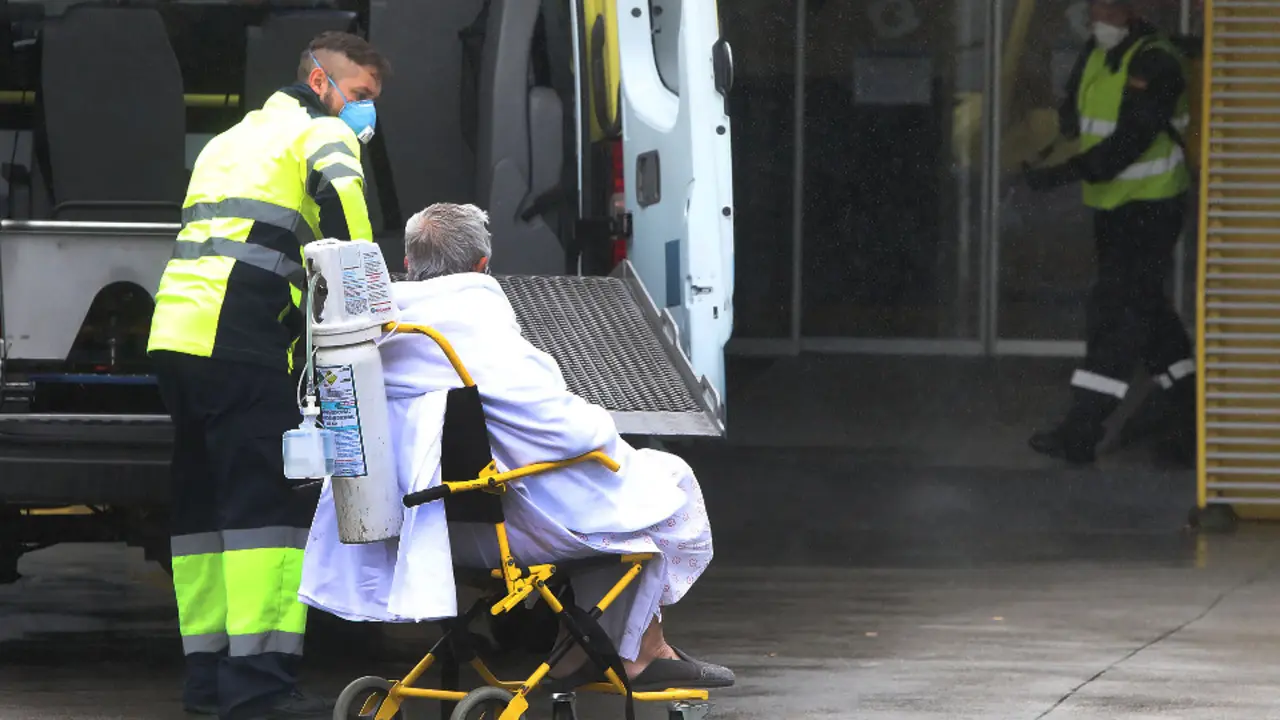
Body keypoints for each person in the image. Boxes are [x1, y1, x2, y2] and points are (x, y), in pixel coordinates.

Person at [298, 203, 736, 692]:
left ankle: (576, 654)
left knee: (616, 500)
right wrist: (605, 431)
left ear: (407, 264)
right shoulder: (481, 333)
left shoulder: (374, 337)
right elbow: (574, 434)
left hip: (423, 528)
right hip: (504, 533)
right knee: (661, 484)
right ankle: (643, 654)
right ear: (483, 265)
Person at [145, 31, 390, 720]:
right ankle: (257, 692)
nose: (368, 114)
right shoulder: (323, 136)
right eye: (364, 96)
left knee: (202, 518)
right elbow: (352, 238)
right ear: (323, 84)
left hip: (176, 338)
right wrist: (381, 314)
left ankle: (208, 686)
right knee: (264, 516)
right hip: (240, 341)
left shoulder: (228, 140)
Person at [1021, 0, 1195, 466]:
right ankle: (1194, 404)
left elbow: (1130, 138)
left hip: (1152, 204)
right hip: (1114, 207)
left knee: (1115, 312)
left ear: (1132, 10)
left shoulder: (1155, 60)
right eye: (1094, 7)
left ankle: (1082, 429)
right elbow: (1074, 114)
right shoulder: (1097, 53)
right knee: (1146, 310)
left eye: (1109, 9)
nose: (1097, 18)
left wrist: (1064, 173)